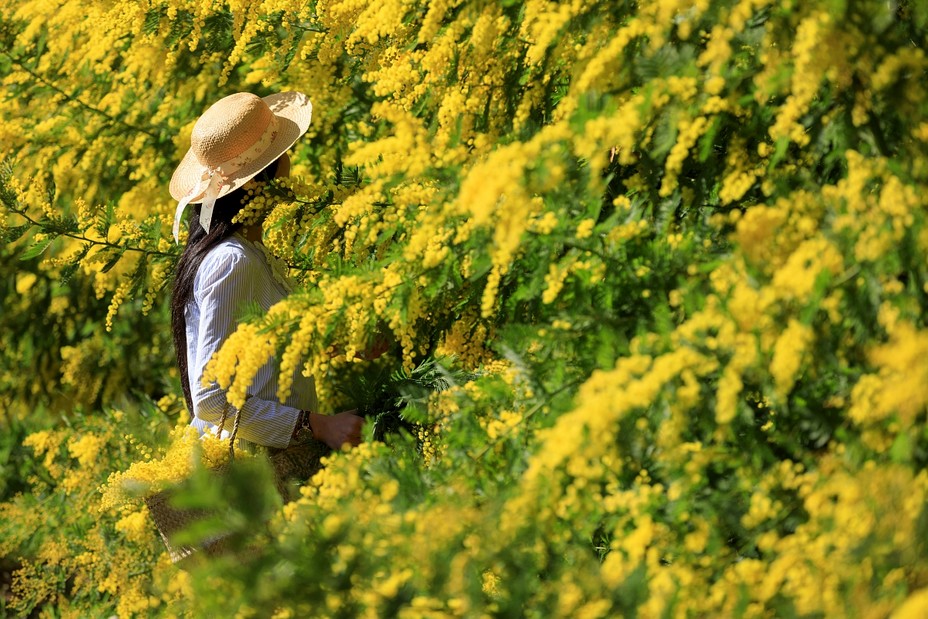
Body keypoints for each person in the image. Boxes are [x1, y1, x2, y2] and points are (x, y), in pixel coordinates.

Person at [168, 91, 363, 456]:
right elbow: (210, 399)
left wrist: (343, 347)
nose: (289, 160)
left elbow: (263, 358)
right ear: (260, 181)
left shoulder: (250, 254)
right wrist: (315, 424)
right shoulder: (233, 261)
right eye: (281, 153)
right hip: (253, 470)